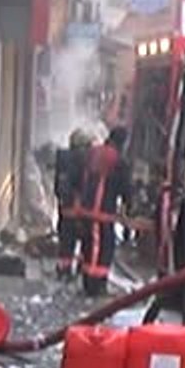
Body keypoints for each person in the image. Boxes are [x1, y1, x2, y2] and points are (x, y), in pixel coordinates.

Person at [79, 126, 131, 296]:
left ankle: (89, 283)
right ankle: (96, 286)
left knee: (89, 247)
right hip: (100, 212)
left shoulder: (94, 153)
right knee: (100, 250)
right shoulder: (117, 159)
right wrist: (128, 204)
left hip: (88, 208)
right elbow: (125, 186)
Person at [53, 129, 93, 280]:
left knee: (66, 244)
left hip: (66, 210)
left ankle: (64, 270)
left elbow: (59, 187)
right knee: (85, 242)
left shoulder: (63, 160)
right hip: (80, 210)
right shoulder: (83, 161)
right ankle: (79, 270)